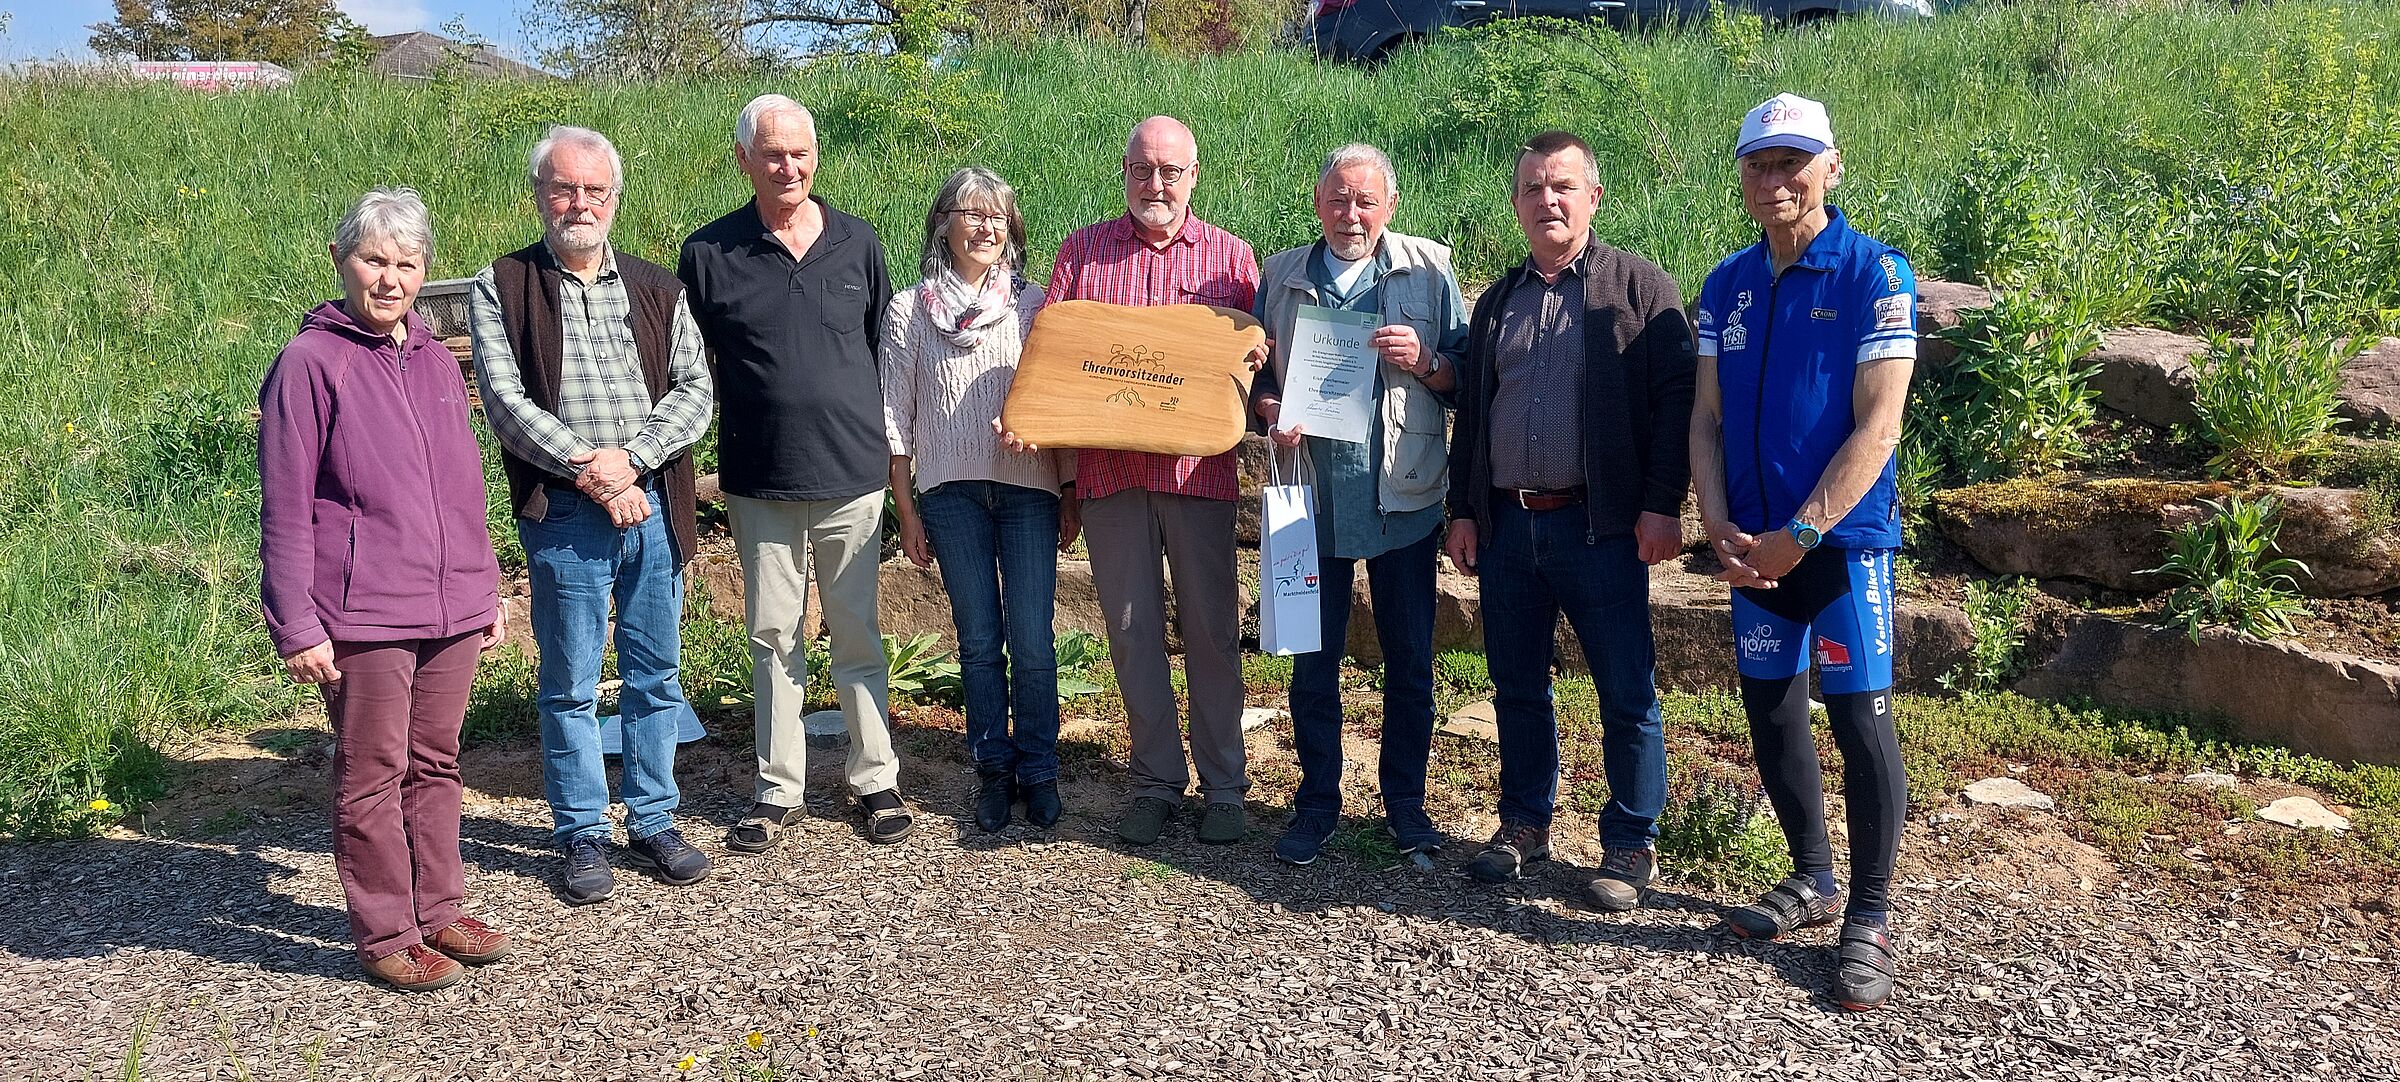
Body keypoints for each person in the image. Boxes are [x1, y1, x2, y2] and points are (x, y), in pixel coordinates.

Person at [1689, 93, 1914, 1011]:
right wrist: (1713, 519)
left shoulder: (1875, 275)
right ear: (1742, 176)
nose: (1776, 179)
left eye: (1794, 162)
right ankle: (1813, 880)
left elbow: (1881, 424)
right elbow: (1704, 418)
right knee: (1772, 714)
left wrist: (1803, 533)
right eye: (1759, 164)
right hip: (1749, 550)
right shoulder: (1726, 284)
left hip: (1836, 548)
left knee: (1859, 724)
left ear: (1832, 167)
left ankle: (1868, 913)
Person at [258, 188, 509, 991]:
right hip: (362, 612)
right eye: (374, 260)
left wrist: (487, 585)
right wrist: (296, 623)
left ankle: (439, 909)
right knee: (373, 770)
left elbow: (463, 487)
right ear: (341, 262)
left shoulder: (435, 357)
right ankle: (385, 934)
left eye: (406, 264)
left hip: (452, 606)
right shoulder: (309, 363)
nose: (391, 279)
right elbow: (286, 505)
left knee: (435, 762)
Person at [1443, 131, 1695, 909]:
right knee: (1516, 684)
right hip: (1512, 529)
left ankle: (1628, 842)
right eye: (1532, 189)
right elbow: (1475, 418)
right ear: (1516, 203)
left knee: (1626, 690)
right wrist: (1463, 509)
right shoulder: (1497, 302)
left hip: (1604, 531)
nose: (1546, 200)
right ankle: (1524, 823)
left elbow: (1676, 408)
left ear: (1593, 196)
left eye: (1562, 186)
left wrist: (1660, 507)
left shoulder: (1641, 290)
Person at [471, 125, 716, 905]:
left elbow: (695, 391)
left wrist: (634, 461)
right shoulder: (503, 286)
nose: (579, 203)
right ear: (540, 192)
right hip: (567, 513)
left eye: (594, 190)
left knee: (656, 674)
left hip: (651, 505)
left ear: (615, 197)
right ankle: (580, 832)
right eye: (563, 187)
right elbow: (506, 404)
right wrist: (596, 474)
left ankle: (653, 819)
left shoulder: (657, 288)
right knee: (570, 682)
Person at [679, 94, 913, 851]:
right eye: (773, 153)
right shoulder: (709, 253)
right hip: (760, 476)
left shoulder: (859, 242)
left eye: (802, 152)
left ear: (818, 155)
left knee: (858, 633)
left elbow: (884, 354)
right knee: (774, 633)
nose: (790, 166)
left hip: (853, 473)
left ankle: (874, 778)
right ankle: (778, 789)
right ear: (742, 158)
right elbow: (692, 371)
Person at [1027, 116, 1263, 847]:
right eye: (1141, 170)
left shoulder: (1232, 260)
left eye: (1170, 170)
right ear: (1123, 172)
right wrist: (1064, 482)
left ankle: (1225, 786)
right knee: (1131, 636)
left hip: (1201, 476)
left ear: (1194, 175)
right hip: (1109, 476)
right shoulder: (1083, 252)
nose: (1155, 184)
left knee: (1214, 634)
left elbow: (1245, 379)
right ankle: (1156, 782)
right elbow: (1055, 366)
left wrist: (1261, 366)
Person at [1248, 143, 1467, 865]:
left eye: (1366, 201)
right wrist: (1270, 404)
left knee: (1409, 664)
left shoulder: (1429, 270)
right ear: (1319, 204)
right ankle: (1316, 804)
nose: (1352, 214)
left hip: (1402, 502)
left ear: (1390, 207)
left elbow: (1470, 377)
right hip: (1305, 505)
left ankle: (1406, 805)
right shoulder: (1279, 274)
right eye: (1339, 199)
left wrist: (1428, 363)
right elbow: (1250, 381)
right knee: (1312, 665)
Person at [882, 166, 1074, 833]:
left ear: (1012, 227)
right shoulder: (909, 309)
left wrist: (1070, 485)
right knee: (977, 639)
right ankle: (993, 769)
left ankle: (1040, 769)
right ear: (944, 223)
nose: (986, 225)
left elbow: (1059, 400)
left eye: (997, 214)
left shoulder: (1036, 304)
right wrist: (905, 508)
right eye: (971, 212)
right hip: (948, 493)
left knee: (1033, 640)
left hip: (1029, 492)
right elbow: (894, 416)